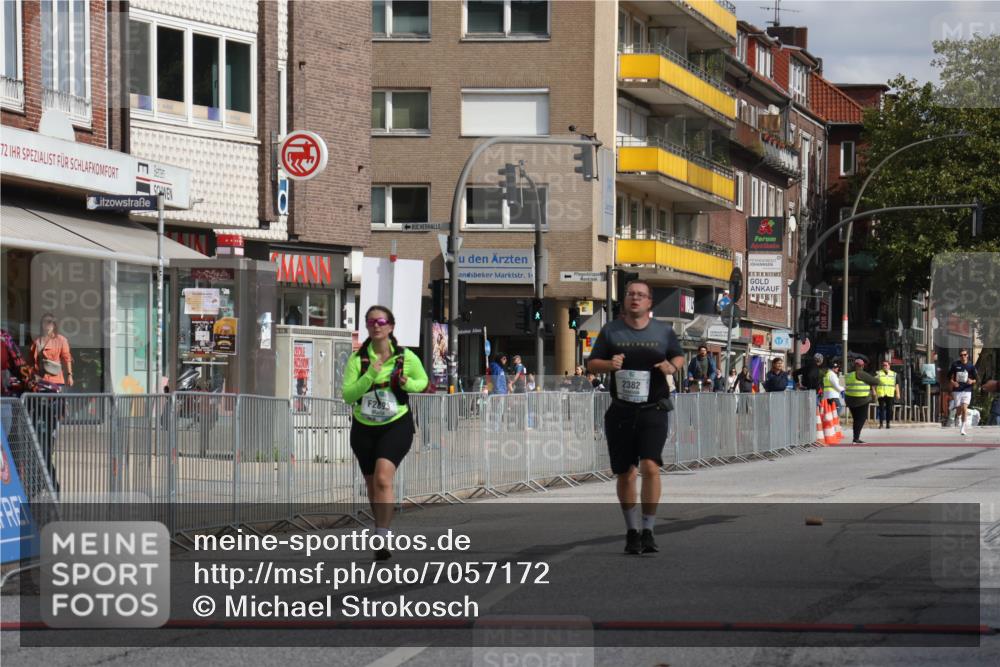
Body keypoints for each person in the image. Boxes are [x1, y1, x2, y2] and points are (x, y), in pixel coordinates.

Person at [587, 279, 684, 555]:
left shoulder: (664, 331)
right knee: (627, 474)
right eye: (630, 294)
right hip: (621, 411)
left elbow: (678, 357)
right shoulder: (610, 331)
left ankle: (649, 530)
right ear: (625, 299)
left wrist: (670, 366)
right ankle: (632, 532)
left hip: (653, 409)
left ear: (649, 302)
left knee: (650, 467)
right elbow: (591, 363)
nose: (635, 299)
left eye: (641, 295)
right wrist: (609, 364)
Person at [341, 305, 428, 561]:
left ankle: (383, 534)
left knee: (382, 478)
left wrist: (407, 383)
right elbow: (348, 395)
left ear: (391, 326)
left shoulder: (405, 357)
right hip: (364, 427)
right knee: (371, 484)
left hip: (396, 424)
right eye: (370, 322)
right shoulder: (359, 360)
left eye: (380, 321)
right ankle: (380, 527)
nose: (376, 326)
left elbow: (423, 382)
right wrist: (371, 374)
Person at [30, 314, 74, 390]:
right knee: (40, 401)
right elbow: (31, 361)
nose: (47, 324)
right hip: (40, 380)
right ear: (42, 324)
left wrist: (69, 375)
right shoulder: (37, 340)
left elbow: (67, 358)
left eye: (50, 322)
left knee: (56, 401)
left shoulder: (61, 340)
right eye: (45, 322)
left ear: (54, 324)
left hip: (56, 380)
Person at [844, 357, 878, 444]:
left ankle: (855, 438)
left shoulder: (848, 375)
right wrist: (874, 393)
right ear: (862, 366)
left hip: (850, 399)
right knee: (861, 418)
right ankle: (856, 438)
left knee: (856, 419)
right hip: (862, 399)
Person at [948, 348, 978, 436]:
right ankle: (958, 417)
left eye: (964, 355)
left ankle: (963, 428)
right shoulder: (955, 365)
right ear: (959, 356)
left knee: (964, 408)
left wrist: (971, 381)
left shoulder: (971, 366)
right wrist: (953, 382)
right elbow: (948, 377)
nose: (963, 357)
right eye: (961, 355)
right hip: (957, 390)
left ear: (967, 355)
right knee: (959, 410)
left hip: (967, 390)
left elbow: (976, 379)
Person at [875, 359, 901, 429]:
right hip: (881, 394)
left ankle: (888, 423)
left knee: (889, 409)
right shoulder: (878, 373)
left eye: (886, 365)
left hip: (890, 394)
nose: (884, 366)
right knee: (881, 409)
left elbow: (896, 385)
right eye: (883, 365)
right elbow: (873, 383)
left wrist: (898, 393)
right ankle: (881, 424)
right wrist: (874, 391)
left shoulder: (894, 374)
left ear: (889, 366)